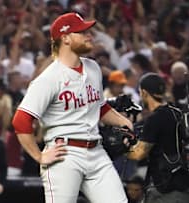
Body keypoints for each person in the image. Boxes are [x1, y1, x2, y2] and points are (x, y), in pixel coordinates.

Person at [12, 12, 133, 203]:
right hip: (64, 155)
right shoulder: (49, 78)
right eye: (82, 31)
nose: (89, 35)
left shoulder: (93, 68)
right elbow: (21, 121)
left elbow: (99, 107)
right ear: (65, 38)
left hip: (97, 151)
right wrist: (39, 156)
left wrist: (122, 121)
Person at [127, 73, 189, 203]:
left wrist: (122, 149)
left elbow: (138, 154)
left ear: (144, 92)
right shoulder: (175, 111)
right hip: (182, 183)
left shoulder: (154, 119)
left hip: (168, 190)